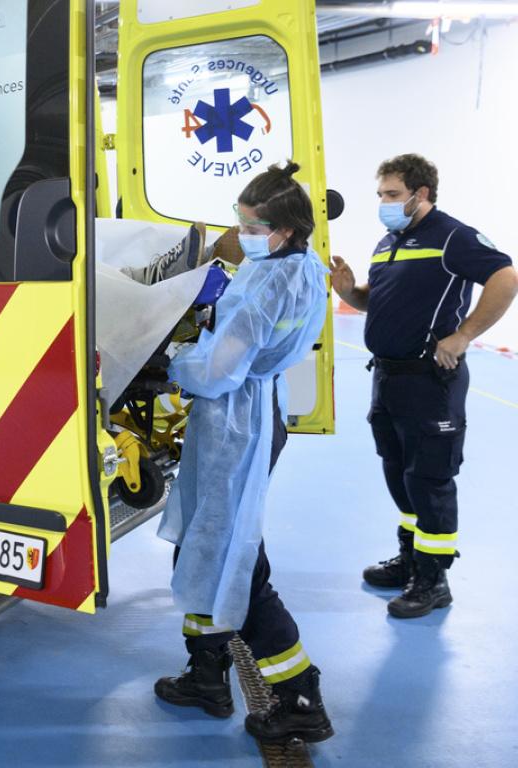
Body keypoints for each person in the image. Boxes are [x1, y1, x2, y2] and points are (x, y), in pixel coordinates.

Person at [155, 162, 333, 743]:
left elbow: (221, 367)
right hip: (254, 412)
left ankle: (299, 695)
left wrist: (169, 366)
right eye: (241, 221)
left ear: (286, 230)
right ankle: (206, 674)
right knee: (202, 544)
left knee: (233, 558)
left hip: (236, 421)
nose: (243, 234)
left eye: (254, 227)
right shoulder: (304, 266)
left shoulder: (265, 283)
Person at [331, 154, 518, 618]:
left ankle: (434, 580)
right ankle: (412, 558)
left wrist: (464, 335)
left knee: (429, 478)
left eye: (393, 194)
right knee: (398, 470)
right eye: (381, 194)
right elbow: (377, 301)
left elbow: (506, 276)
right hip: (387, 376)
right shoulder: (388, 242)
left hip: (430, 381)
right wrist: (350, 291)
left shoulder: (453, 236)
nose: (384, 202)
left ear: (422, 193)